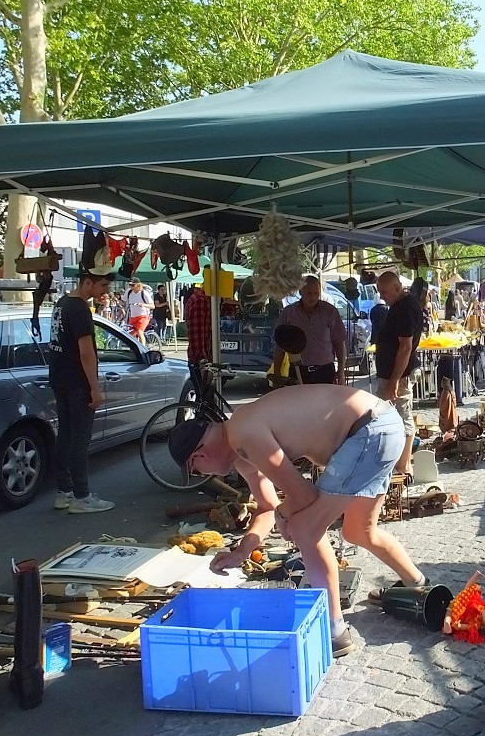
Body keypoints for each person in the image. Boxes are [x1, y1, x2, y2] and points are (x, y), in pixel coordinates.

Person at [167, 385, 428, 658]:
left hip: (370, 431)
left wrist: (284, 515)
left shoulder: (243, 434)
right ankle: (419, 584)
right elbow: (267, 508)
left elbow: (303, 495)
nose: (203, 475)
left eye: (197, 472)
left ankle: (333, 632)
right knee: (359, 531)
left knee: (305, 528)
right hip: (383, 425)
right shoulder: (240, 443)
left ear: (199, 456)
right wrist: (242, 551)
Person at [48, 270, 116, 513]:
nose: (105, 291)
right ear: (88, 282)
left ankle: (64, 491)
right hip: (78, 381)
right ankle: (81, 496)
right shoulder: (79, 309)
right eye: (103, 285)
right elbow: (86, 352)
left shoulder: (62, 304)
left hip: (60, 378)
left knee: (65, 435)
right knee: (80, 439)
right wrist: (95, 389)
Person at [374, 271, 424, 479]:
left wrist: (394, 379)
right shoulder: (400, 305)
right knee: (389, 415)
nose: (382, 296)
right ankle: (399, 463)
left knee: (401, 417)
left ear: (396, 288)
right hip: (392, 373)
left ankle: (403, 467)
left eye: (384, 292)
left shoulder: (405, 308)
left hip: (398, 375)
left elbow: (405, 347)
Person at [271, 275, 347, 386]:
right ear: (300, 292)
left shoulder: (330, 312)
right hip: (297, 371)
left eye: (316, 293)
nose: (313, 297)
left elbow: (339, 343)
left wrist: (341, 372)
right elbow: (280, 346)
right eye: (309, 293)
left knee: (323, 403)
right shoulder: (289, 313)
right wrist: (276, 374)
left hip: (324, 371)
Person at [184, 283, 212, 388]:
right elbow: (198, 334)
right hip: (200, 360)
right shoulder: (201, 300)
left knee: (204, 397)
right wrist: (203, 359)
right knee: (202, 395)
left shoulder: (201, 298)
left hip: (200, 358)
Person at [124, 278, 154, 344]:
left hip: (143, 316)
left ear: (138, 285)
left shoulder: (144, 293)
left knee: (140, 332)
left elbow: (152, 306)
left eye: (132, 285)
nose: (131, 287)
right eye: (129, 285)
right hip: (133, 316)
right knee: (130, 334)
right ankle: (133, 348)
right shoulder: (129, 292)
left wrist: (143, 305)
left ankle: (143, 350)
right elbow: (123, 300)